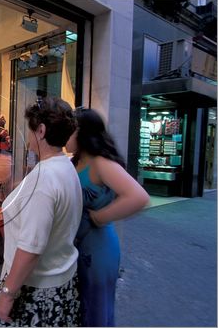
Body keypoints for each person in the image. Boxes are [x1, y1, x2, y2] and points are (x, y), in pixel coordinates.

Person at [0, 97, 82, 326]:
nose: (27, 137)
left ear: (41, 130)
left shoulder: (44, 178)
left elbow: (31, 248)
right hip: (61, 280)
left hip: (35, 290)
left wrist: (8, 293)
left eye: (29, 130)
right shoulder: (65, 166)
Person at [65, 108, 150, 327]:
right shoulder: (75, 162)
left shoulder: (100, 163)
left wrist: (100, 217)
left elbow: (139, 197)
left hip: (98, 250)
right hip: (78, 249)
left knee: (95, 311)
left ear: (82, 133)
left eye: (70, 130)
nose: (65, 134)